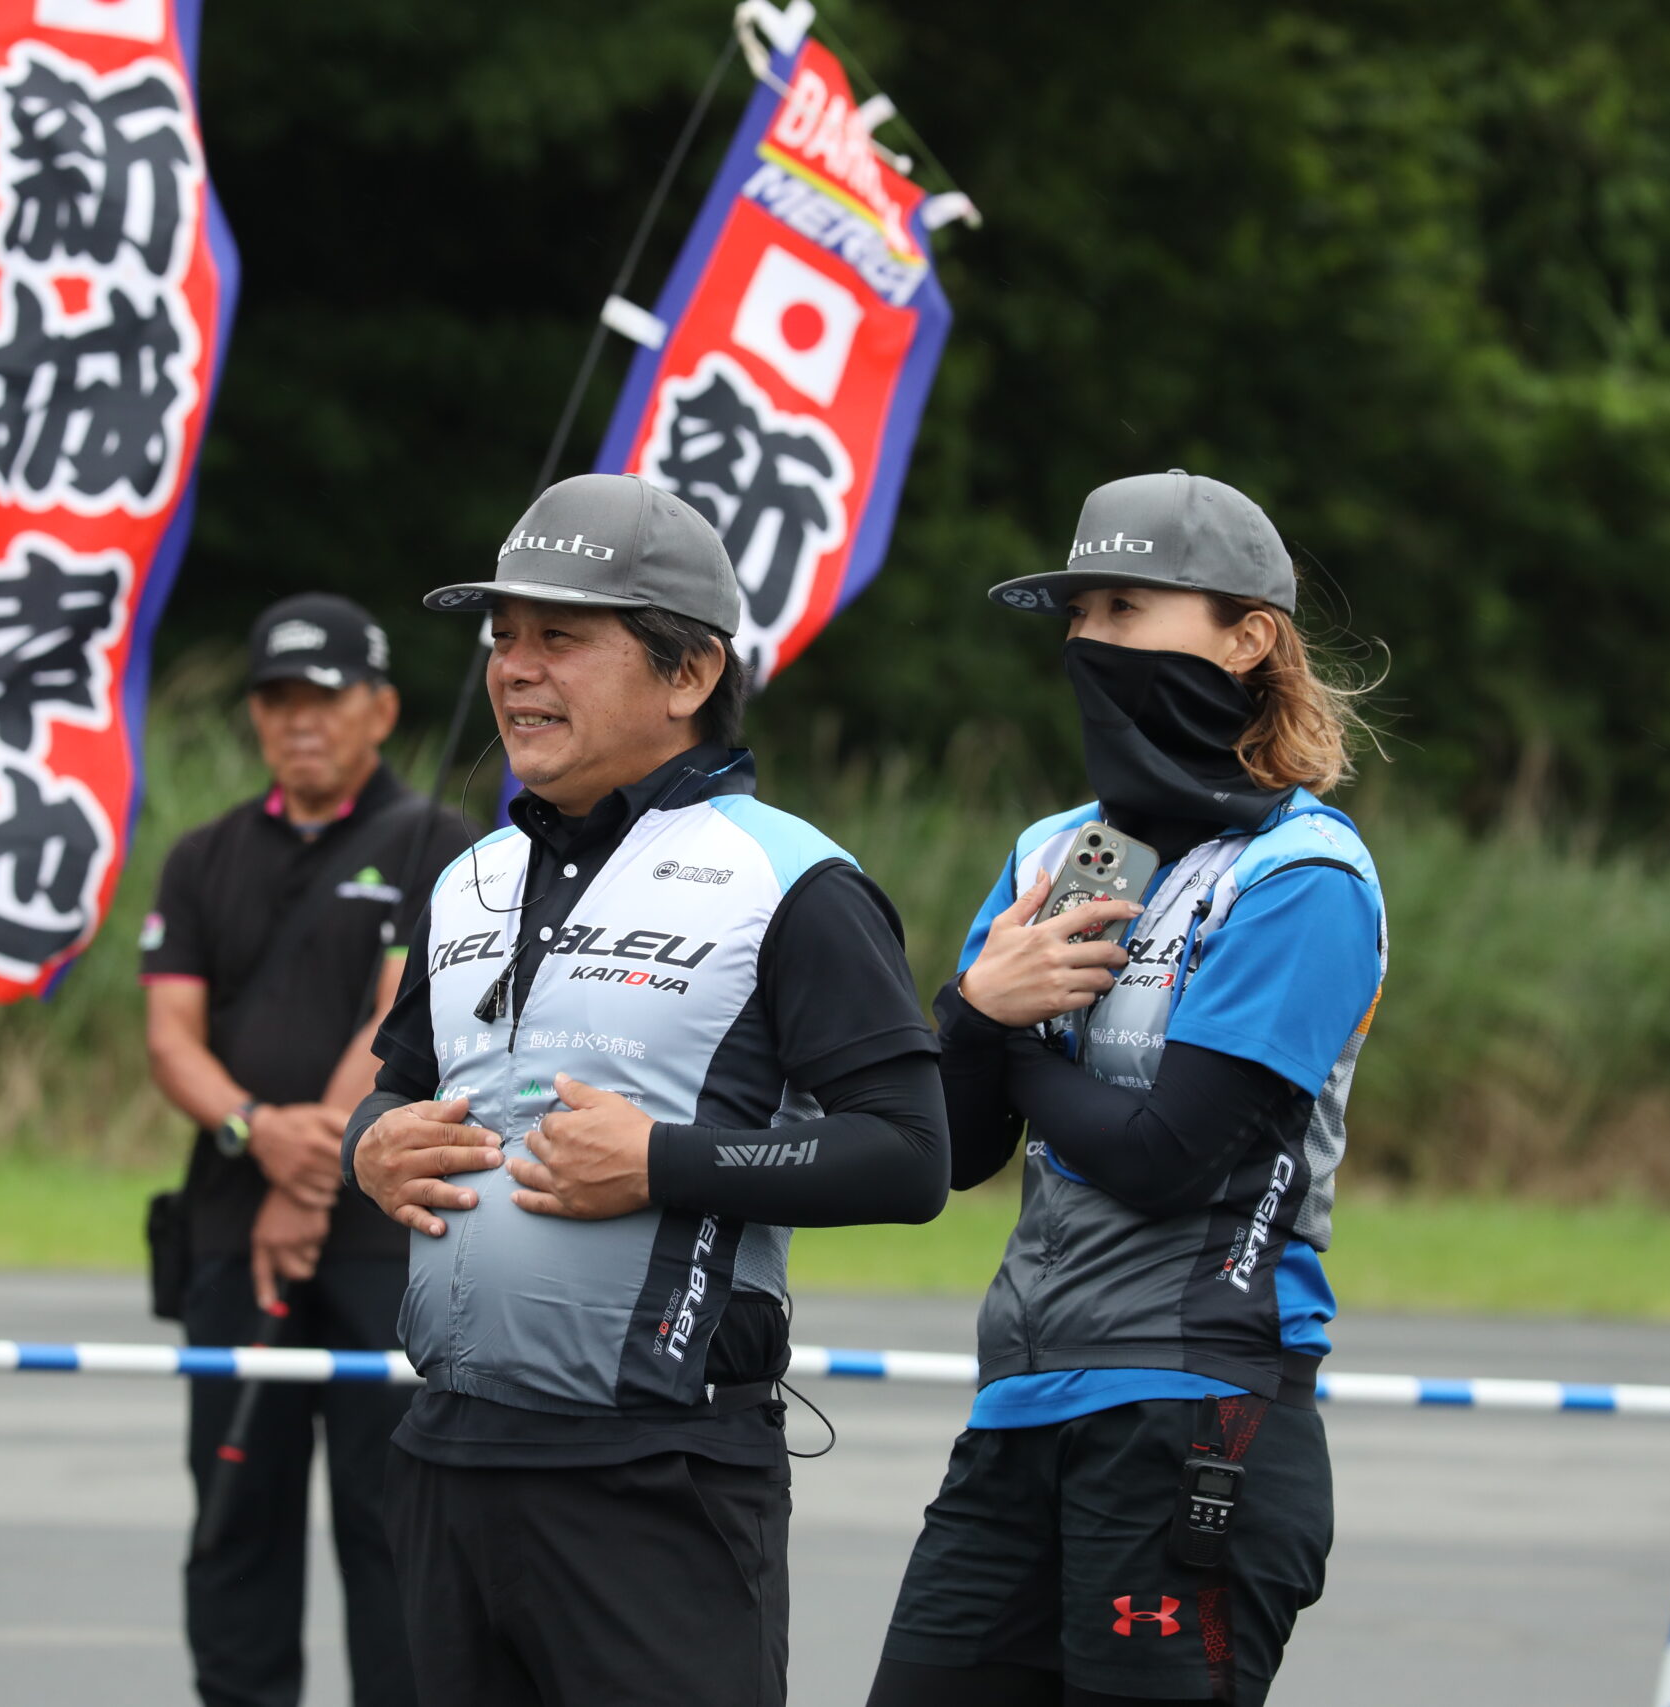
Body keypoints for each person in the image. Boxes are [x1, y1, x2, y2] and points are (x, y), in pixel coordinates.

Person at [345, 472, 951, 1707]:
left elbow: (908, 1153)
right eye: (502, 637)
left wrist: (664, 1163)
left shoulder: (793, 878)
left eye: (560, 637)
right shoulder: (468, 876)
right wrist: (370, 1146)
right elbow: (394, 1089)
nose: (515, 670)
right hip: (449, 1452)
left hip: (655, 1468)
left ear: (688, 674)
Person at [865, 471, 1386, 1707]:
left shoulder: (1302, 875)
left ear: (1247, 639)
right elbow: (956, 1150)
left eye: (1124, 609)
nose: (1089, 641)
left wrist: (999, 1031)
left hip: (1198, 1404)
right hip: (1019, 1401)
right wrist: (969, 1016)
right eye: (1078, 613)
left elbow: (1165, 1155)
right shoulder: (1055, 854)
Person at [141, 592, 473, 1707]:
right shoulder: (203, 856)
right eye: (278, 700)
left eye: (325, 698)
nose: (300, 721)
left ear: (379, 709)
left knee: (393, 1518)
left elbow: (395, 1027)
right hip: (229, 1228)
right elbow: (170, 1036)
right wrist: (253, 1129)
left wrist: (313, 1172)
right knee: (235, 1510)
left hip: (384, 1236)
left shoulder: (438, 845)